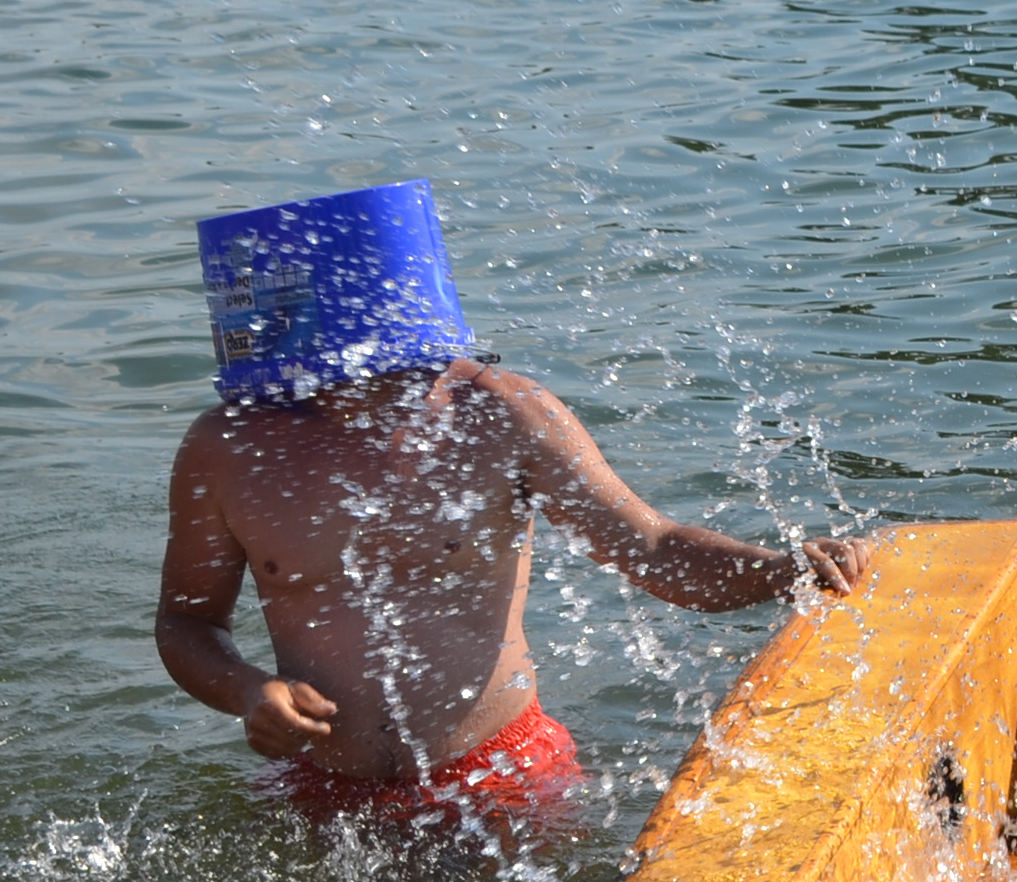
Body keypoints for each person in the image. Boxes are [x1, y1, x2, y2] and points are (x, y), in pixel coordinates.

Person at [154, 181, 870, 828]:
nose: (350, 400)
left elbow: (653, 549)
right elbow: (188, 621)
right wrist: (248, 691)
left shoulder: (502, 416)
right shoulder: (229, 448)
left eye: (376, 377)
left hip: (500, 769)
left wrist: (780, 570)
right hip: (321, 782)